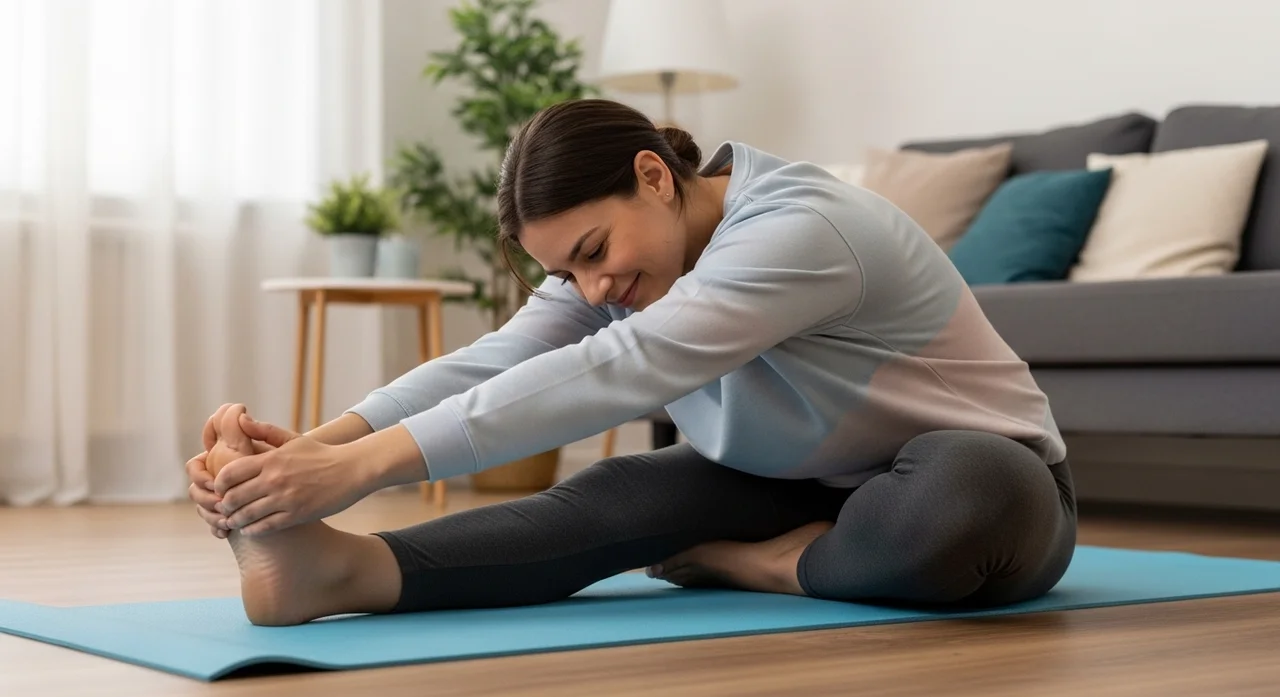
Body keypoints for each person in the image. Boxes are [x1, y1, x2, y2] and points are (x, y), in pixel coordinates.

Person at [186, 98, 1077, 627]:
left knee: (968, 500)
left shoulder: (800, 229)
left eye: (594, 249)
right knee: (615, 497)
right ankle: (335, 571)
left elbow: (630, 366)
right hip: (793, 482)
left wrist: (360, 467)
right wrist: (314, 449)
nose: (593, 283)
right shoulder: (613, 265)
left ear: (655, 176)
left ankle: (754, 564)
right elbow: (502, 358)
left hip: (977, 477)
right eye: (567, 270)